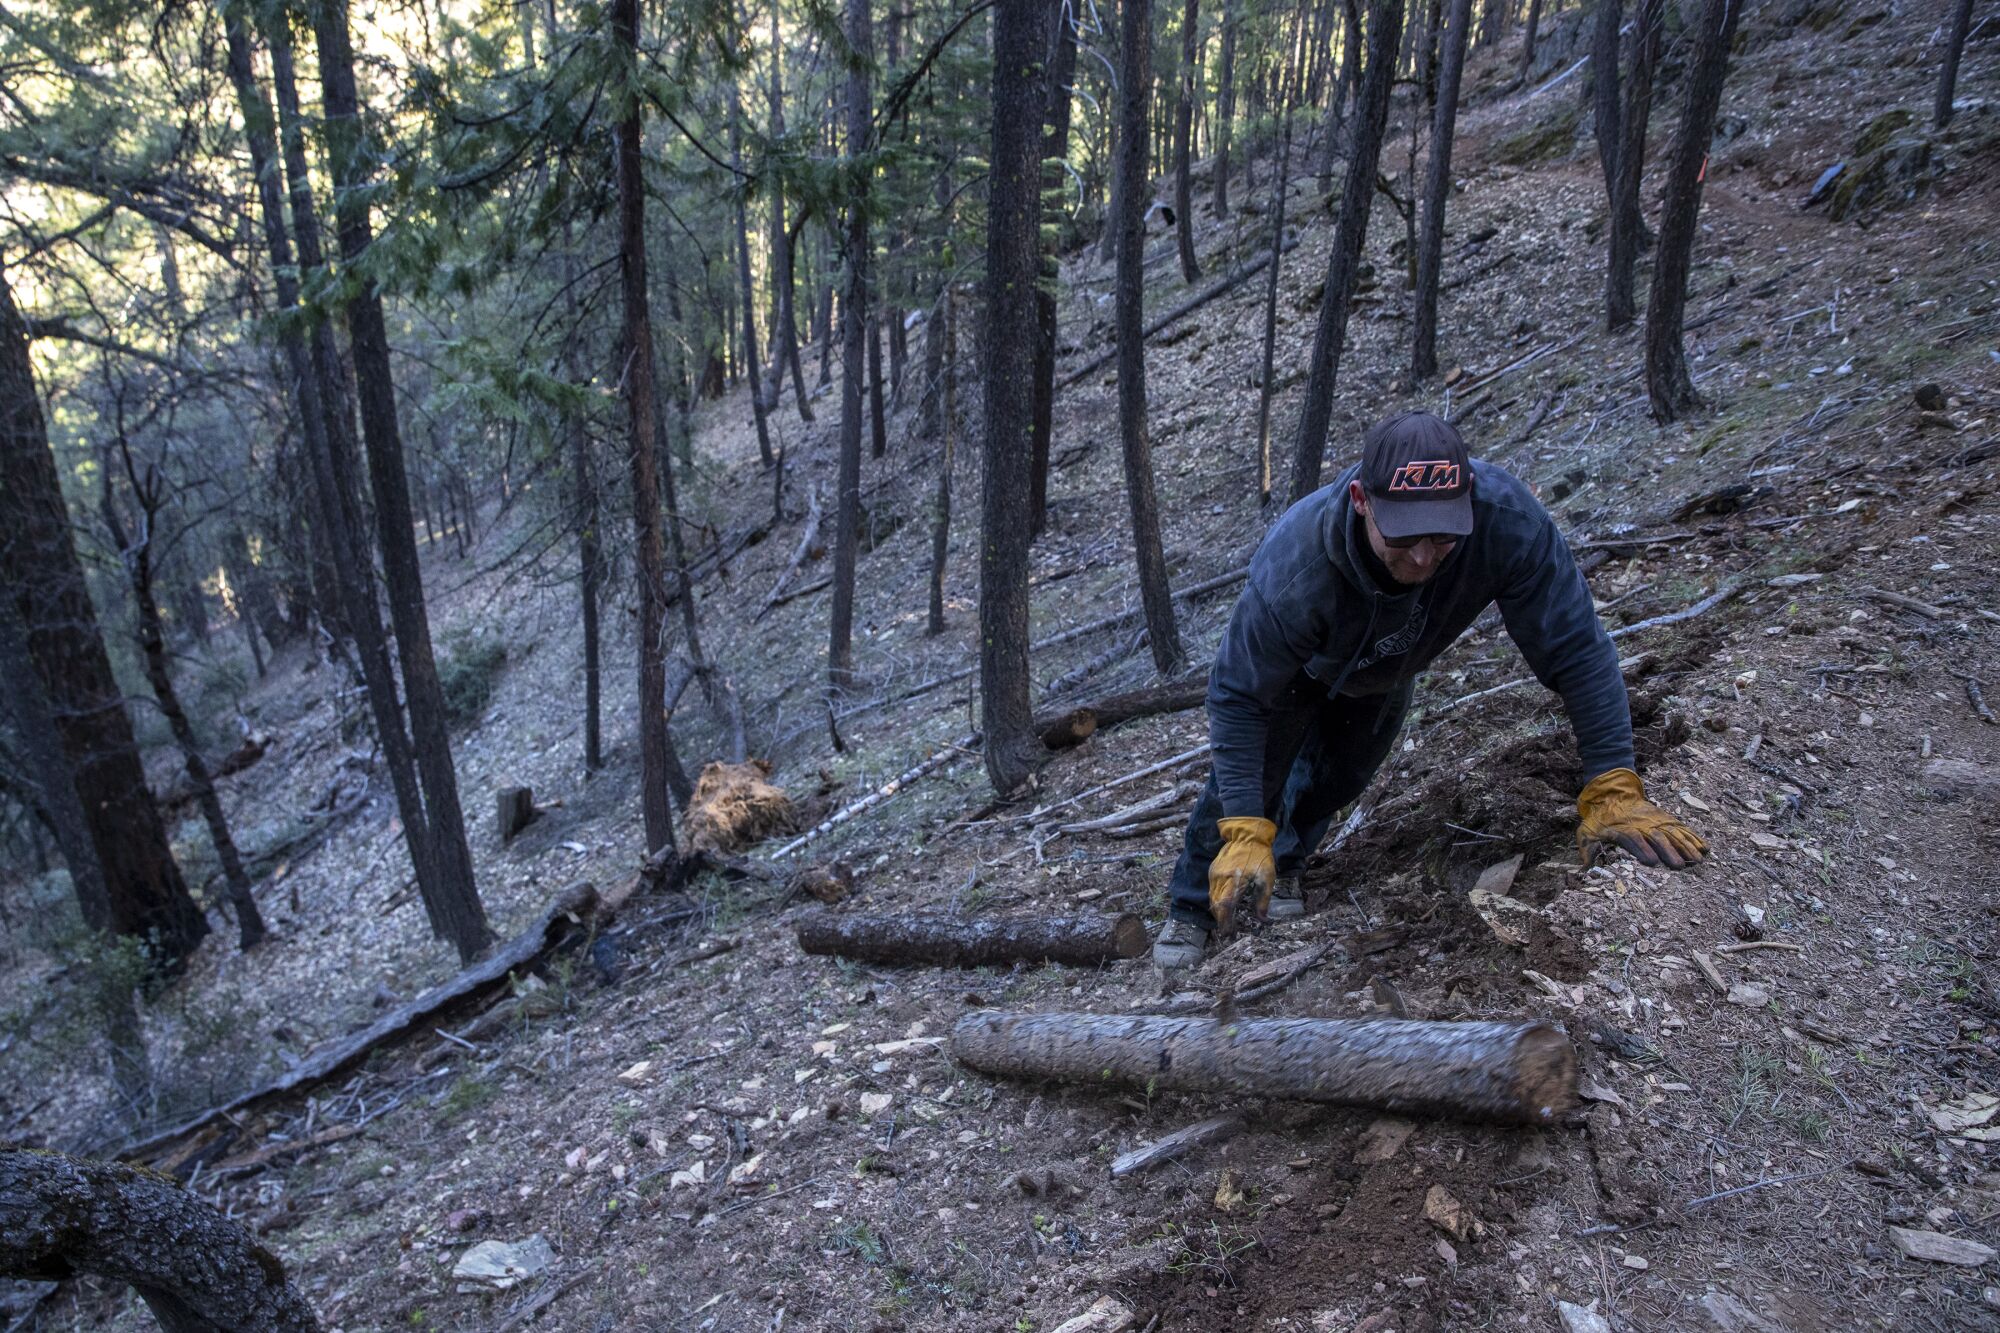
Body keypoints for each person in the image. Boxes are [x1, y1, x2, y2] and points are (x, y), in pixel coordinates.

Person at [1153, 410, 1707, 969]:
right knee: (1249, 783)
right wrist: (1247, 825)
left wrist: (1613, 785)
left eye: (1442, 536)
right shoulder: (1297, 565)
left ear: (1467, 501)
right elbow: (1238, 696)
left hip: (1386, 670)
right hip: (1295, 674)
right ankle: (1191, 910)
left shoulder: (1508, 524)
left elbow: (1578, 650)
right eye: (1404, 536)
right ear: (1361, 500)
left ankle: (1290, 863)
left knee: (1340, 778)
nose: (1422, 556)